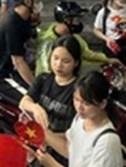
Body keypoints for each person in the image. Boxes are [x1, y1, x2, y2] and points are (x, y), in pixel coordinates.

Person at [35, 71, 124, 167]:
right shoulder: (81, 118)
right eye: (76, 100)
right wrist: (42, 134)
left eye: (86, 103)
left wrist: (52, 164)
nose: (79, 107)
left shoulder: (107, 141)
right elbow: (70, 148)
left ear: (102, 104)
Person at [20, 36, 81, 166]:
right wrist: (36, 107)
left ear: (76, 63)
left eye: (65, 61)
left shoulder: (78, 90)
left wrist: (50, 138)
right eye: (55, 58)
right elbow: (24, 102)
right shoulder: (43, 79)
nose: (58, 65)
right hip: (38, 147)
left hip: (62, 151)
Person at [0, 0, 41, 103]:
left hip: (15, 72)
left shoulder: (25, 17)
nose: (39, 2)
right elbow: (18, 61)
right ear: (27, 2)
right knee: (32, 101)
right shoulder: (12, 24)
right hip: (4, 76)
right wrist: (35, 87)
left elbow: (30, 42)